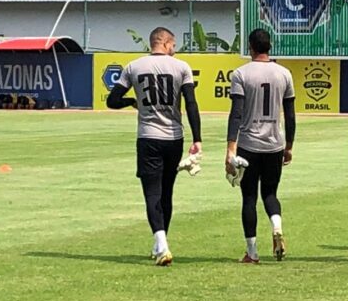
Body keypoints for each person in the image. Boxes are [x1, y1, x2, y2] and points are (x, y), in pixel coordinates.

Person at [106, 27, 202, 267]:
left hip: (148, 137)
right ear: (167, 43)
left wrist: (131, 101)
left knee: (152, 193)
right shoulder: (181, 67)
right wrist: (197, 138)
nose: (175, 49)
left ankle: (161, 244)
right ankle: (161, 242)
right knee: (167, 192)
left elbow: (112, 101)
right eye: (174, 45)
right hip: (174, 138)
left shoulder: (133, 67)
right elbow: (191, 103)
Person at [225, 29, 296, 264]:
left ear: (250, 47)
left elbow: (236, 114)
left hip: (248, 145)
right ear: (270, 46)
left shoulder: (241, 74)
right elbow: (290, 114)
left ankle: (252, 252)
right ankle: (277, 226)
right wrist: (289, 146)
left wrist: (230, 149)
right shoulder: (284, 73)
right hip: (274, 144)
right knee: (270, 193)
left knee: (248, 197)